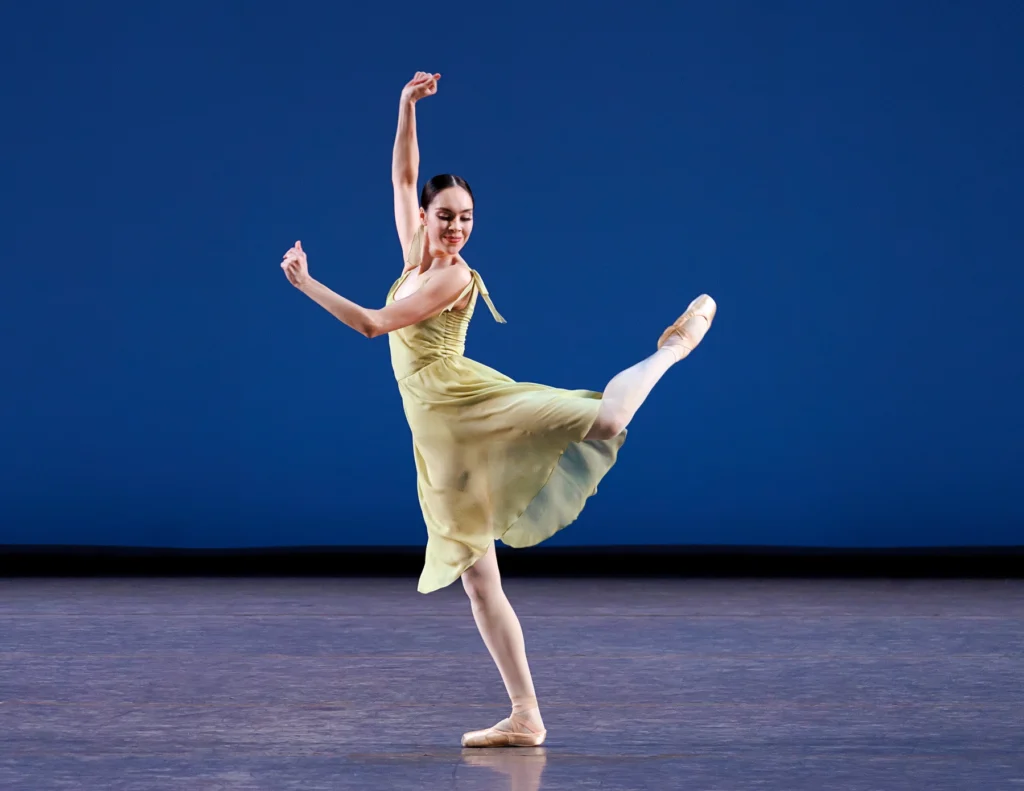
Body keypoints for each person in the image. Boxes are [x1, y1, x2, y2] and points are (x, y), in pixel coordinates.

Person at [280, 71, 717, 748]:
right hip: (440, 441)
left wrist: (306, 283)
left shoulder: (453, 275)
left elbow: (372, 325)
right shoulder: (413, 255)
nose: (456, 228)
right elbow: (402, 176)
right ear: (426, 218)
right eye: (446, 215)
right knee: (480, 581)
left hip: (470, 404)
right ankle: (527, 715)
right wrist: (404, 107)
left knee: (605, 420)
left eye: (467, 218)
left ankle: (671, 350)